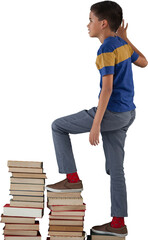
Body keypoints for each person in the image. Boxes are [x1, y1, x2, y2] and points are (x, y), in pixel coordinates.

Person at [46, 1, 147, 237]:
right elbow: (144, 62)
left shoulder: (105, 50)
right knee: (116, 169)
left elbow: (107, 90)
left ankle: (71, 178)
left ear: (103, 24)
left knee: (58, 126)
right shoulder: (121, 44)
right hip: (128, 113)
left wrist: (95, 124)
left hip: (111, 113)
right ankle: (117, 224)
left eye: (91, 20)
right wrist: (126, 38)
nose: (87, 24)